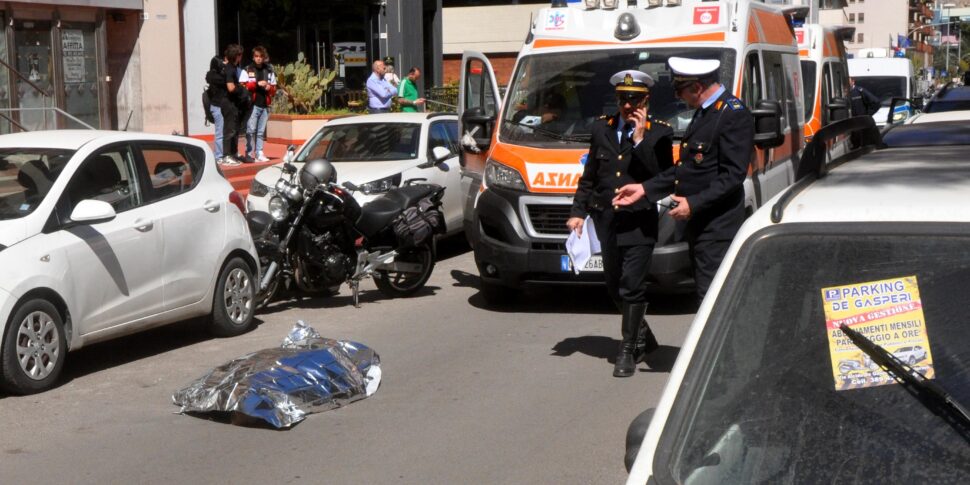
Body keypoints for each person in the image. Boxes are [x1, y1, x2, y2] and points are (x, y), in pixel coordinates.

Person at [613, 57, 754, 302]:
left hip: (716, 227)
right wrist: (644, 188)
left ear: (697, 88)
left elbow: (733, 175)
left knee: (713, 297)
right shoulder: (705, 112)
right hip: (701, 224)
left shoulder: (731, 114)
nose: (679, 97)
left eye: (680, 90)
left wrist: (694, 203)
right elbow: (687, 168)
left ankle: (715, 342)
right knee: (708, 293)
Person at [566, 70, 674, 378]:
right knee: (613, 284)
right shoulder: (602, 129)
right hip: (607, 220)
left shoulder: (659, 134)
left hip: (638, 221)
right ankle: (644, 335)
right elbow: (590, 178)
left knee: (632, 285)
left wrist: (640, 140)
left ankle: (627, 350)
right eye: (623, 99)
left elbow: (664, 179)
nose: (628, 106)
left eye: (634, 100)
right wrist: (578, 211)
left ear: (646, 101)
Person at [240, 46, 277, 162]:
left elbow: (274, 89)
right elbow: (243, 85)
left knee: (261, 131)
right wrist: (257, 84)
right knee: (251, 130)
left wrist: (268, 87)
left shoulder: (269, 70)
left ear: (264, 57)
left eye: (261, 56)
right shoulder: (247, 69)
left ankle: (259, 152)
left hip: (264, 105)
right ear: (253, 57)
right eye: (256, 56)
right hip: (253, 104)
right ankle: (249, 153)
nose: (258, 59)